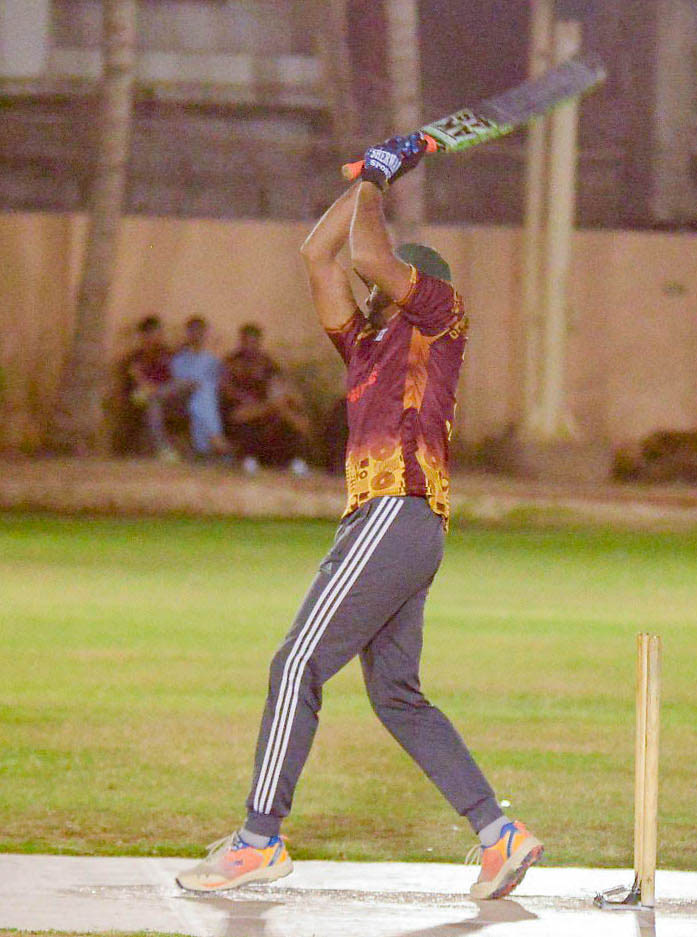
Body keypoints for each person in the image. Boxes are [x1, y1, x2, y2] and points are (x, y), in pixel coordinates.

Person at [177, 133, 543, 899]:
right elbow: (318, 254)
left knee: (295, 664)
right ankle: (499, 834)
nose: (375, 286)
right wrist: (373, 175)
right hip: (396, 524)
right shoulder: (367, 347)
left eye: (392, 280)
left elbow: (369, 256)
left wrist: (378, 181)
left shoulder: (440, 313)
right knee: (395, 694)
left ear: (414, 283)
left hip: (394, 510)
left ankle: (258, 839)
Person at [220, 323, 311, 476]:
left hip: (267, 407)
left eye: (253, 342)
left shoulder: (267, 362)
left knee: (288, 416)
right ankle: (248, 458)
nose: (250, 346)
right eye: (246, 342)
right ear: (241, 341)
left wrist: (285, 398)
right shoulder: (231, 363)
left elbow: (279, 383)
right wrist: (249, 401)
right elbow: (227, 390)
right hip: (240, 409)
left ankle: (295, 459)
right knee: (250, 417)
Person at [125, 315, 191, 462]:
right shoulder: (136, 357)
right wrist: (152, 389)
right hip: (144, 395)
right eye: (151, 333)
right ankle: (162, 448)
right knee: (151, 401)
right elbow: (138, 379)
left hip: (165, 394)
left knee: (189, 383)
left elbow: (175, 375)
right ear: (143, 336)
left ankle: (164, 449)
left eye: (158, 332)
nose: (156, 337)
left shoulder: (167, 353)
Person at [168, 316, 232, 459]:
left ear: (205, 334)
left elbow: (219, 384)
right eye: (193, 331)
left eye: (200, 332)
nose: (197, 335)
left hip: (206, 402)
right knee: (202, 395)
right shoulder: (179, 360)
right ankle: (216, 439)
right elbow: (177, 384)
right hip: (183, 399)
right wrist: (194, 385)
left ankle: (205, 447)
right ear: (188, 334)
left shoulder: (213, 360)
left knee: (203, 397)